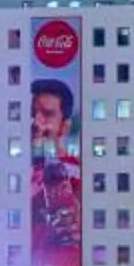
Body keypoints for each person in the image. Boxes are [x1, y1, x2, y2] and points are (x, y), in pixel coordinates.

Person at [28, 79, 80, 250]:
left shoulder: (80, 175)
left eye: (48, 114)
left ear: (65, 127)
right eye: (31, 113)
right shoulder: (11, 175)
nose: (37, 123)